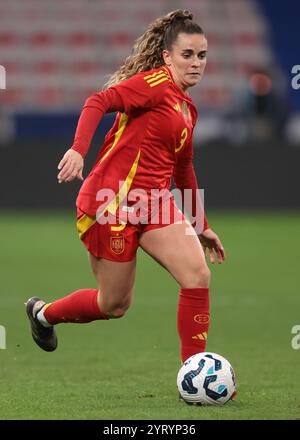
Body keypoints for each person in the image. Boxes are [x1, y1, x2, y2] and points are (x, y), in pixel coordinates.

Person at [26, 9, 225, 367]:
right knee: (113, 305)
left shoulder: (187, 107)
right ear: (167, 56)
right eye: (188, 55)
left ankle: (192, 372)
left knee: (198, 276)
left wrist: (201, 223)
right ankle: (43, 314)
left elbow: (183, 167)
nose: (196, 63)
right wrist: (77, 149)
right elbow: (98, 101)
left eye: (202, 55)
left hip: (154, 204)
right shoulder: (154, 85)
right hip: (111, 204)